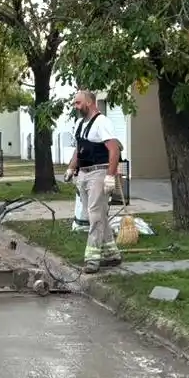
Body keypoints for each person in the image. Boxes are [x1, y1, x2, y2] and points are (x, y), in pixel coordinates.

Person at [64, 90, 123, 273]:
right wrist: (71, 168)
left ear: (89, 103)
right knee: (96, 215)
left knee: (95, 216)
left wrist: (110, 176)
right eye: (75, 103)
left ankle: (92, 259)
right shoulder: (81, 124)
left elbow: (114, 150)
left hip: (99, 174)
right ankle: (112, 255)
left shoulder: (102, 123)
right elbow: (78, 150)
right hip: (84, 174)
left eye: (78, 103)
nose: (76, 107)